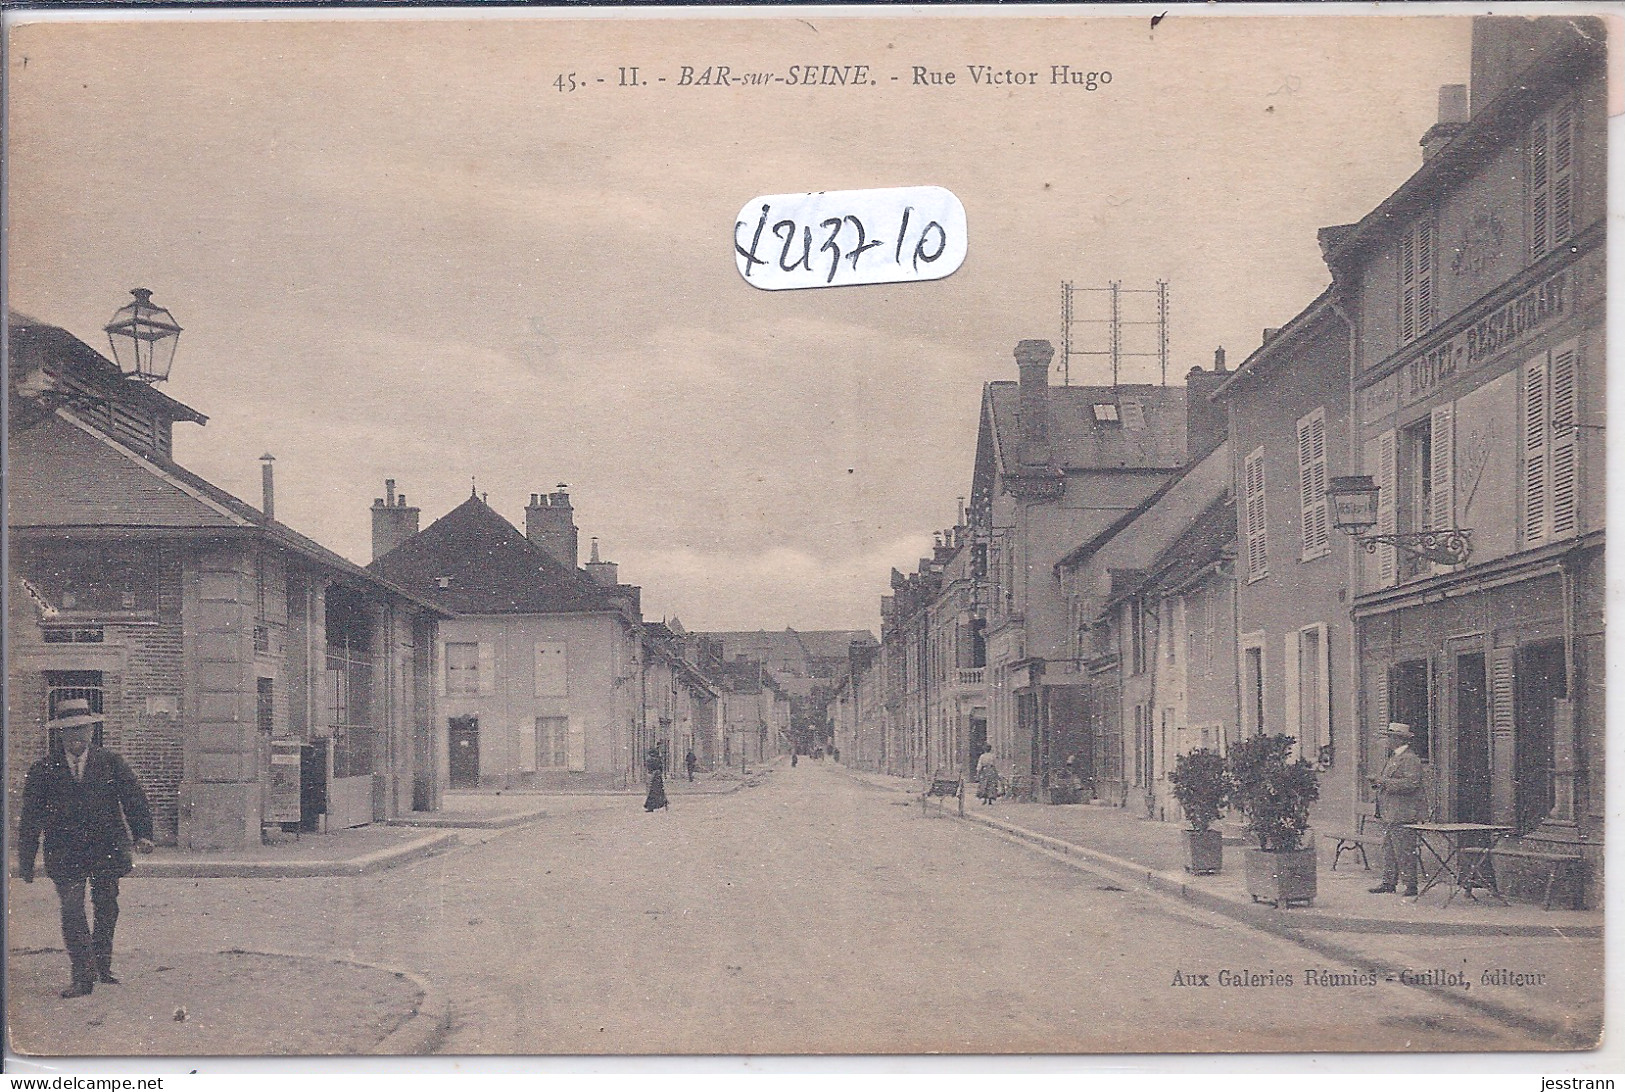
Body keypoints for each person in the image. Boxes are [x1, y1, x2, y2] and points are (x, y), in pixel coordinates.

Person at [18, 699, 154, 998]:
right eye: (69, 731)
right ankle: (82, 976)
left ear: (92, 731)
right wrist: (26, 860)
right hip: (65, 852)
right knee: (71, 908)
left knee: (106, 907)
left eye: (82, 729)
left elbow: (133, 798)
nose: (76, 736)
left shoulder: (110, 762)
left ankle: (102, 965)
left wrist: (143, 835)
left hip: (106, 847)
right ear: (60, 735)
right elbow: (31, 817)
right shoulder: (43, 769)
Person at [1369, 722, 1424, 897]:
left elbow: (1412, 783)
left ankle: (1410, 885)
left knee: (1404, 849)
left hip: (1403, 812)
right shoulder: (1393, 758)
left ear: (1399, 739)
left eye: (1391, 737)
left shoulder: (1410, 759)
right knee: (1389, 849)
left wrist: (1383, 782)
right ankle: (1388, 882)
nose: (1388, 741)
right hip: (1390, 811)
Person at [643, 747, 669, 812]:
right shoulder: (658, 759)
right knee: (659, 791)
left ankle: (651, 807)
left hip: (653, 776)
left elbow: (649, 768)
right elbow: (661, 768)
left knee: (652, 792)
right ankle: (664, 802)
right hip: (658, 776)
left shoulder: (650, 759)